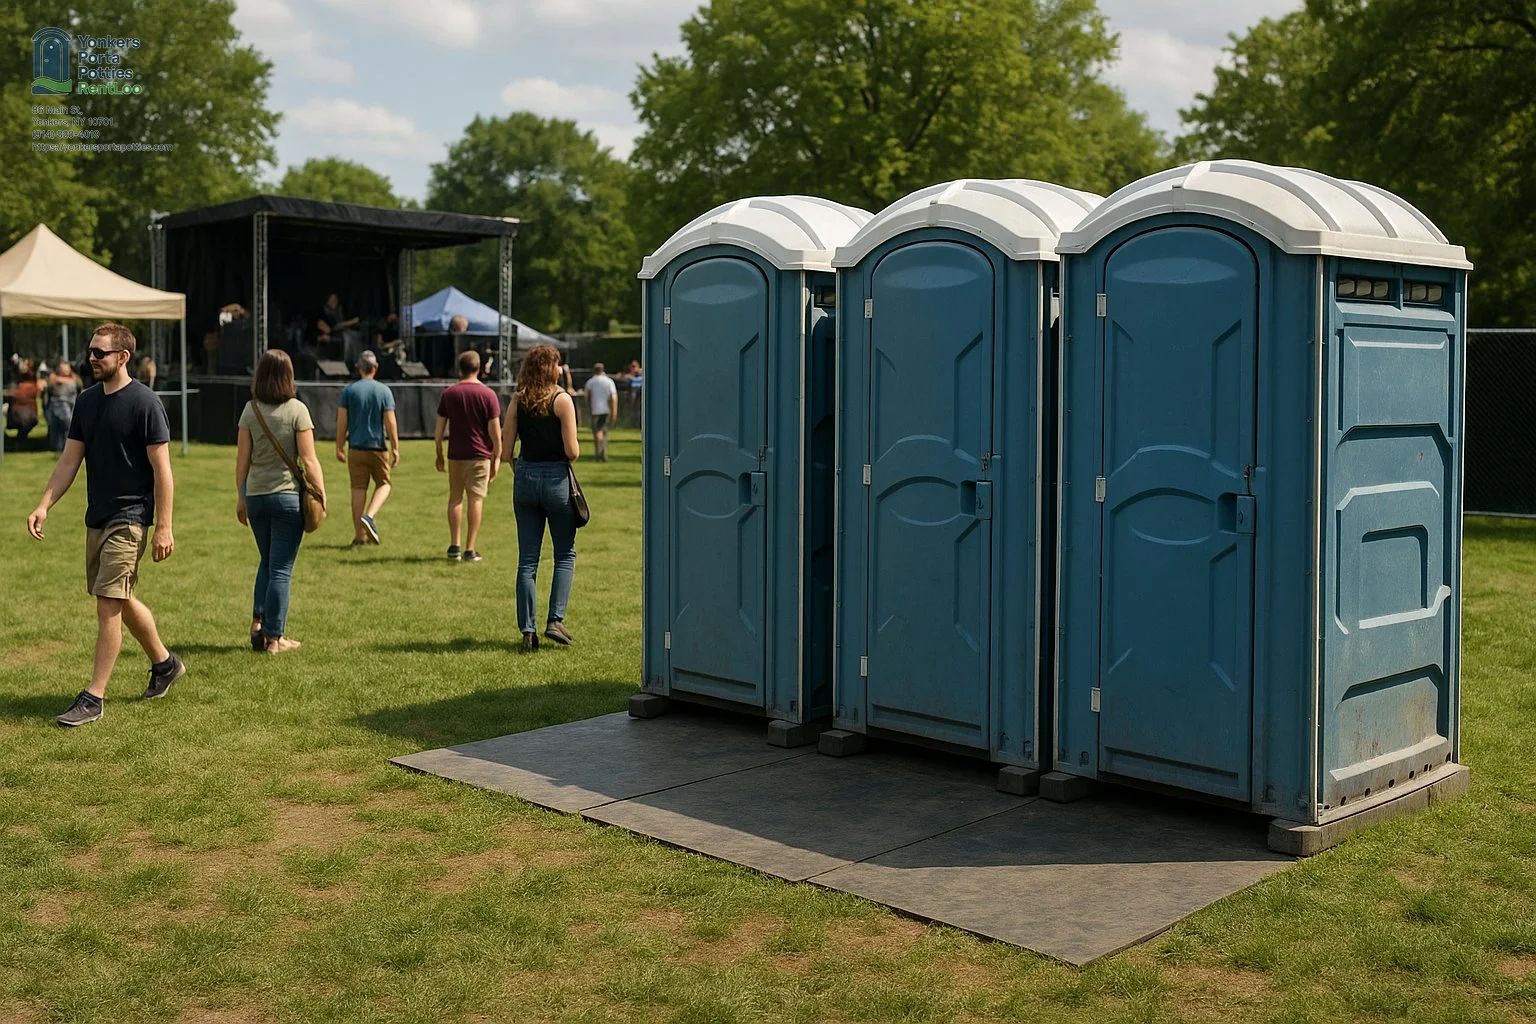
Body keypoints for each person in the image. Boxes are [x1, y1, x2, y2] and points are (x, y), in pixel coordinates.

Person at [25, 322, 186, 727]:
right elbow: (69, 460)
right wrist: (45, 504)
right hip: (96, 516)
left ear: (123, 357)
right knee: (119, 596)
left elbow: (162, 470)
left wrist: (163, 526)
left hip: (130, 517)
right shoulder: (87, 401)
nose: (91, 358)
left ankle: (93, 697)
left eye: (100, 353)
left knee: (108, 604)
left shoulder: (145, 403)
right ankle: (165, 664)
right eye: (90, 352)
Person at [236, 350, 325, 654]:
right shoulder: (297, 410)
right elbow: (309, 460)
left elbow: (242, 462)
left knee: (268, 561)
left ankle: (258, 624)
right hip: (287, 498)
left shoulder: (250, 411)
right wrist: (321, 494)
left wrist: (240, 497)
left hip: (257, 496)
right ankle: (275, 638)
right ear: (289, 376)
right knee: (281, 569)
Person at [503, 343, 581, 651]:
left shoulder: (517, 400)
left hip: (525, 478)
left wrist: (520, 470)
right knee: (564, 554)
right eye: (558, 364)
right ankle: (555, 620)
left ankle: (528, 631)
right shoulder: (562, 400)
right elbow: (572, 451)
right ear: (552, 368)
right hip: (556, 481)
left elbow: (506, 451)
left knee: (527, 561)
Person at [435, 350, 503, 562]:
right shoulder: (488, 395)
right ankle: (470, 549)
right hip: (480, 455)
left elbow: (439, 431)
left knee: (455, 498)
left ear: (459, 368)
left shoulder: (449, 393)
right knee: (476, 499)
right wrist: (497, 457)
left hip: (456, 454)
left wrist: (438, 453)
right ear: (479, 369)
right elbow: (495, 432)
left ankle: (454, 545)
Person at [335, 350, 398, 547]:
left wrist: (339, 446)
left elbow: (341, 421)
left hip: (355, 447)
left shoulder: (349, 391)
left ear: (358, 368)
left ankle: (359, 537)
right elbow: (390, 421)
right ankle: (369, 516)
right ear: (375, 368)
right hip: (377, 447)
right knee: (384, 484)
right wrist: (395, 447)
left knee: (357, 489)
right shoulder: (384, 391)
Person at [580, 361, 618, 462]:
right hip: (606, 410)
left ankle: (599, 453)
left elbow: (586, 396)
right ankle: (602, 452)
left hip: (595, 410)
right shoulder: (609, 382)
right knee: (603, 432)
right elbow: (614, 398)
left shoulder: (590, 382)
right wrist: (614, 412)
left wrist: (588, 405)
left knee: (597, 432)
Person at [45, 360, 82, 453]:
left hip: (73, 405)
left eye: (67, 369)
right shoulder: (53, 379)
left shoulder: (76, 379)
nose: (65, 371)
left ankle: (67, 447)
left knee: (70, 426)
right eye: (63, 369)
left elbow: (80, 389)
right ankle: (61, 447)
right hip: (58, 405)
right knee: (65, 425)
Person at [317, 293, 360, 366]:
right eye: (332, 299)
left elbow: (340, 324)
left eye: (335, 299)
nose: (334, 301)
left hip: (341, 333)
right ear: (327, 301)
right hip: (331, 335)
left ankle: (355, 362)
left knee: (355, 336)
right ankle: (346, 362)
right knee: (348, 337)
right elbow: (333, 327)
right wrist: (352, 322)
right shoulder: (325, 312)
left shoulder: (339, 310)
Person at [6, 366, 41, 446]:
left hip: (17, 413)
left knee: (25, 425)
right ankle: (19, 440)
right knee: (28, 423)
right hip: (26, 415)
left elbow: (11, 395)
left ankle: (19, 440)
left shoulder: (16, 387)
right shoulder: (32, 387)